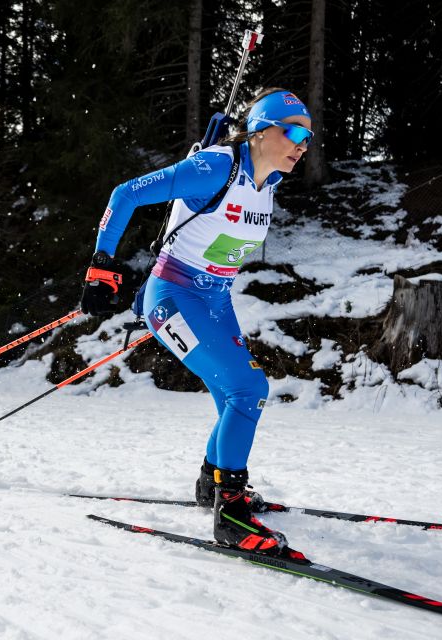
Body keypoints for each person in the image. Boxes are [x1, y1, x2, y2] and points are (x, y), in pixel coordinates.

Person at [80, 88, 314, 556]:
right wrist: (101, 265)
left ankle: (214, 484)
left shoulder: (269, 180)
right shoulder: (214, 167)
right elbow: (126, 193)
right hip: (173, 296)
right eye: (292, 132)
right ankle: (230, 514)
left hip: (215, 297)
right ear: (262, 130)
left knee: (234, 393)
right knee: (250, 390)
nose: (302, 145)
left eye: (308, 138)